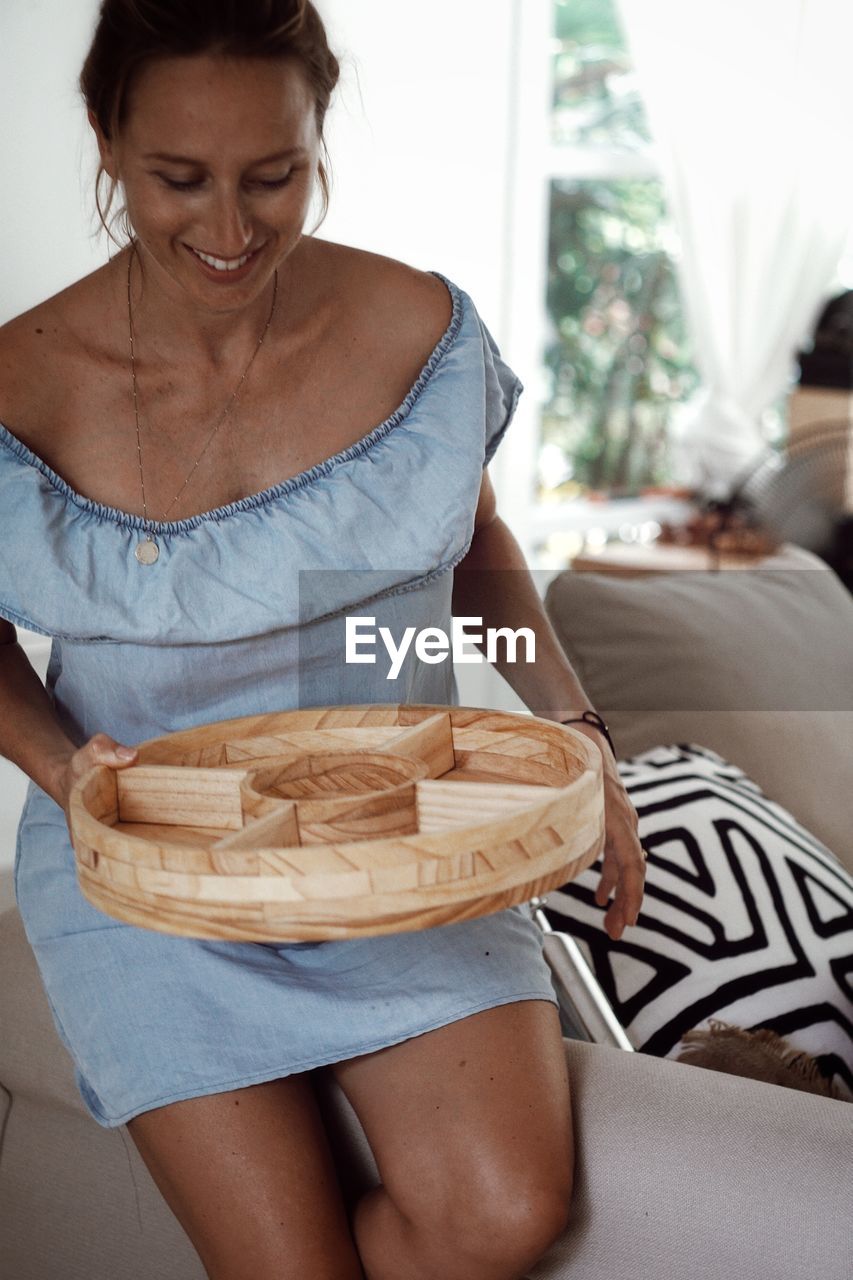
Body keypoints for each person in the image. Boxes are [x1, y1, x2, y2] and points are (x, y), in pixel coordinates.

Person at [0, 2, 646, 1277]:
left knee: (502, 1211)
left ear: (317, 134)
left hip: (395, 836)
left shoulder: (415, 328)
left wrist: (573, 734)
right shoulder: (20, 379)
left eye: (274, 175)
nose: (231, 231)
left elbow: (476, 547)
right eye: (178, 180)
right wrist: (62, 766)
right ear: (104, 138)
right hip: (151, 868)